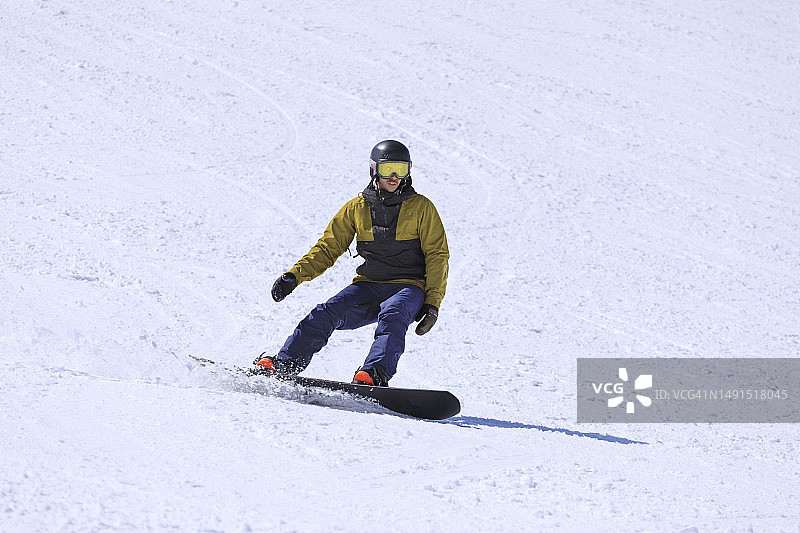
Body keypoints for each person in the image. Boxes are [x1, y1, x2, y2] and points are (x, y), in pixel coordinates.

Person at [253, 140, 449, 386]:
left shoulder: (422, 208)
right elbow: (328, 248)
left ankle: (373, 375)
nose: (395, 176)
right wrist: (295, 276)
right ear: (374, 169)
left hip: (408, 287)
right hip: (369, 286)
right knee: (326, 313)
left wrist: (432, 304)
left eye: (401, 168)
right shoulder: (356, 208)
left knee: (394, 313)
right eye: (388, 169)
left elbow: (437, 255)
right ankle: (285, 364)